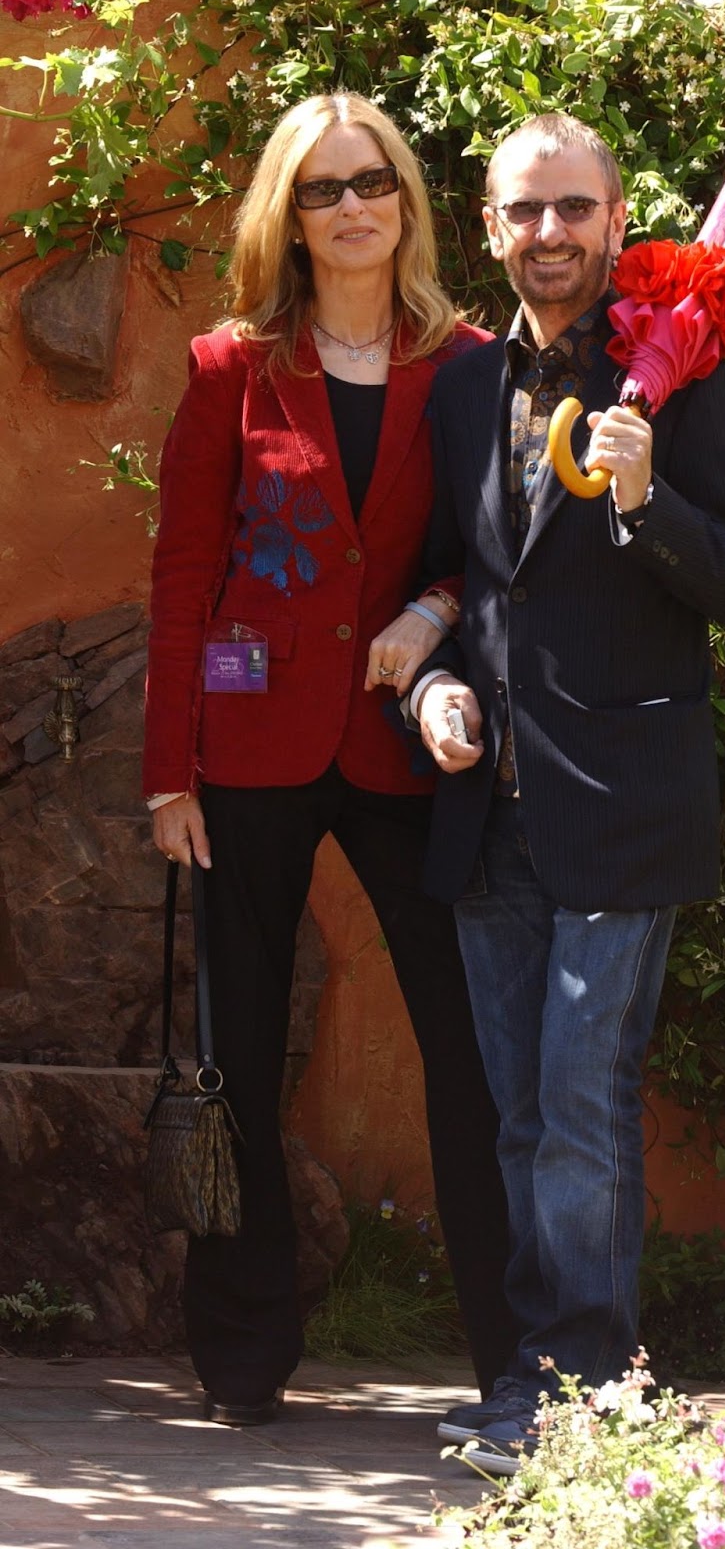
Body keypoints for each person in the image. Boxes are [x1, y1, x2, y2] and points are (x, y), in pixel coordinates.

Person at [407, 113, 725, 1474]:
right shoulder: (458, 390)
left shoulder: (682, 374)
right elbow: (454, 584)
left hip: (624, 802)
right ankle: (532, 1379)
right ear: (490, 226)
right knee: (518, 1113)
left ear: (617, 221)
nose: (549, 233)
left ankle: (581, 1390)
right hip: (488, 807)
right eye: (524, 211)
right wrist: (428, 689)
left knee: (581, 1105)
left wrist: (646, 503)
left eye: (574, 208)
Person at [142, 91, 514, 1426]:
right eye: (320, 188)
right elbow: (185, 572)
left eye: (372, 182)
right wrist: (166, 771)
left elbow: (502, 548)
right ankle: (241, 1361)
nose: (351, 205)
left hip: (409, 745)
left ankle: (512, 1365)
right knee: (236, 1042)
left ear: (406, 201)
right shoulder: (230, 367)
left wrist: (434, 612)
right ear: (287, 218)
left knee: (470, 1048)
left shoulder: (471, 365)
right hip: (246, 746)